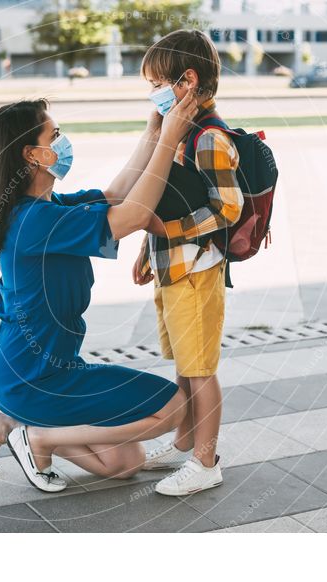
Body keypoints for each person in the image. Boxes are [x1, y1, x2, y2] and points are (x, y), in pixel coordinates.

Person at [0, 91, 199, 493]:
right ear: (33, 156)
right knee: (174, 407)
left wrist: (153, 132)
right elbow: (135, 215)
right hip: (38, 377)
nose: (62, 142)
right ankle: (38, 437)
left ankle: (11, 421)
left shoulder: (46, 207)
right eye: (53, 135)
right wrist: (169, 141)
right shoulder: (37, 221)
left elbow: (115, 197)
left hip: (32, 373)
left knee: (124, 462)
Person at [134, 30, 243, 496]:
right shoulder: (179, 133)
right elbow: (169, 197)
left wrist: (168, 235)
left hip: (197, 270)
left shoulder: (208, 139)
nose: (153, 92)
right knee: (184, 362)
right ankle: (185, 446)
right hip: (174, 267)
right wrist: (147, 248)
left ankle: (205, 461)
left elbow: (228, 208)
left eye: (159, 82)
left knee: (200, 370)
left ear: (188, 80)